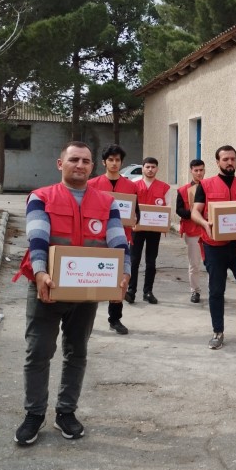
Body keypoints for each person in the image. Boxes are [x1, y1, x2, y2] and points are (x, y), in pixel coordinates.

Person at [13, 141, 131, 445]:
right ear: (60, 164)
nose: (80, 165)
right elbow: (37, 239)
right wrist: (40, 272)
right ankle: (34, 414)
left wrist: (124, 274)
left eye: (86, 161)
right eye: (74, 159)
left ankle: (66, 412)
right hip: (47, 288)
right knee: (38, 352)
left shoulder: (107, 202)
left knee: (76, 352)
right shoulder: (41, 197)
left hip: (86, 290)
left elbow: (118, 241)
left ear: (92, 167)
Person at [191, 145, 236, 351]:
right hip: (215, 247)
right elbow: (195, 211)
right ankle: (218, 332)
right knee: (216, 290)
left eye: (233, 159)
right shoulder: (205, 185)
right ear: (217, 162)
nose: (230, 162)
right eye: (225, 159)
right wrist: (205, 223)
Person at [87, 143, 139, 334]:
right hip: (96, 236)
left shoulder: (131, 186)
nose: (114, 163)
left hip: (121, 238)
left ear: (121, 162)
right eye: (110, 160)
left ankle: (115, 319)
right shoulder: (92, 184)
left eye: (117, 160)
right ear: (104, 162)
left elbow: (136, 212)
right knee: (91, 276)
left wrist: (135, 220)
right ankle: (86, 319)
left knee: (119, 279)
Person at [127, 156, 170, 304]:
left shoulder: (164, 187)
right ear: (143, 168)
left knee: (151, 262)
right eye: (147, 167)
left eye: (153, 167)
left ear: (157, 169)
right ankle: (131, 291)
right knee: (134, 260)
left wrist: (164, 225)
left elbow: (167, 209)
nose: (150, 170)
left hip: (154, 229)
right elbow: (130, 207)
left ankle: (148, 292)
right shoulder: (133, 185)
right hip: (136, 228)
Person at [176, 159, 206, 303]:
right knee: (194, 264)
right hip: (193, 231)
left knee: (214, 264)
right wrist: (193, 213)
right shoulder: (183, 190)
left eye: (201, 170)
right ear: (191, 171)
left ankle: (216, 291)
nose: (199, 173)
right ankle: (195, 291)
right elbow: (179, 210)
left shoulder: (210, 187)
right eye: (196, 170)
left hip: (210, 230)